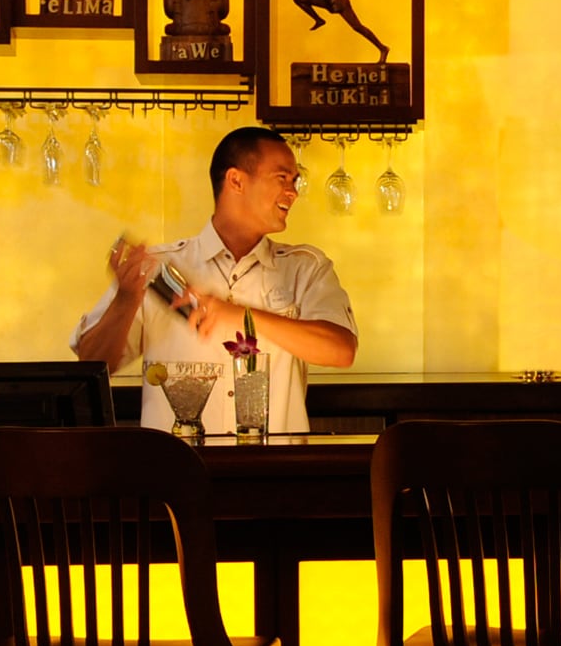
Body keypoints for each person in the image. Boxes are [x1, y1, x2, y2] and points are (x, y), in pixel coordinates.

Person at [72, 126, 359, 434]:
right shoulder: (160, 268)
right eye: (282, 178)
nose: (293, 192)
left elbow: (341, 351)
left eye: (294, 181)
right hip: (176, 462)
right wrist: (125, 301)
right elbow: (92, 365)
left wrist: (238, 315)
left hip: (272, 462)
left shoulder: (305, 267)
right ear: (236, 180)